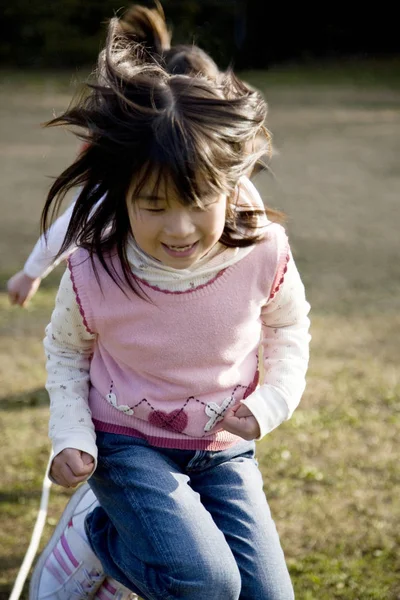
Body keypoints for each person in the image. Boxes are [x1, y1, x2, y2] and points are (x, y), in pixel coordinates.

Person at [29, 6, 310, 600]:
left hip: (223, 448)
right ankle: (101, 533)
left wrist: (271, 403)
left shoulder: (263, 250)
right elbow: (64, 348)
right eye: (153, 206)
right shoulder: (95, 266)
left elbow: (289, 326)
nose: (179, 229)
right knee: (206, 584)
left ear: (230, 185)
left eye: (198, 201)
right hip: (125, 445)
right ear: (121, 194)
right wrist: (71, 435)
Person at [7, 2, 268, 309]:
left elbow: (256, 226)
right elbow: (74, 220)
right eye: (155, 206)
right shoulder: (125, 176)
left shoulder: (233, 184)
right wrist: (32, 272)